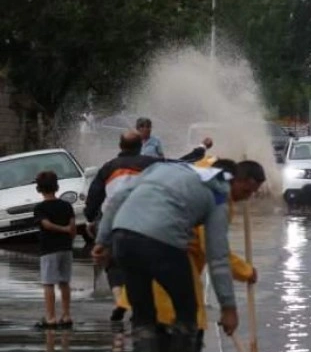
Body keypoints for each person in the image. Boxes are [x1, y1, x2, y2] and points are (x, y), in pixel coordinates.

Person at [91, 159, 266, 352]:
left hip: (124, 239)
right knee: (187, 312)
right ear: (237, 181)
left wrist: (103, 240)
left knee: (144, 318)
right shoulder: (219, 193)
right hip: (163, 245)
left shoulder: (164, 168)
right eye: (249, 191)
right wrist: (228, 307)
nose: (247, 197)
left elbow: (117, 198)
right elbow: (216, 255)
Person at [84, 130, 214, 322]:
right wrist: (202, 148)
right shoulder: (151, 164)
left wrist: (90, 218)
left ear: (120, 147)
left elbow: (95, 197)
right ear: (140, 146)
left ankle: (120, 300)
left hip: (114, 222)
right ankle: (140, 305)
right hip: (144, 219)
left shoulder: (107, 168)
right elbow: (182, 163)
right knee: (145, 266)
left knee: (114, 265)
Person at [33, 171, 76, 329]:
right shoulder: (66, 206)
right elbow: (73, 226)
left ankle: (50, 317)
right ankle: (66, 315)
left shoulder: (40, 208)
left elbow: (46, 225)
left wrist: (63, 230)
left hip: (49, 249)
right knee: (65, 282)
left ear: (39, 189)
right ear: (56, 187)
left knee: (48, 284)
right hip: (66, 248)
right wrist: (68, 234)